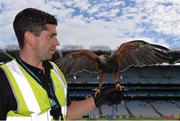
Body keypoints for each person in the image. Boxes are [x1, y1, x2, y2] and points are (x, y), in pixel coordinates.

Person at [0, 8, 123, 121]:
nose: (57, 42)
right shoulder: (4, 77)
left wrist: (97, 100)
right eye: (51, 36)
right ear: (29, 38)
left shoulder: (56, 71)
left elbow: (65, 112)